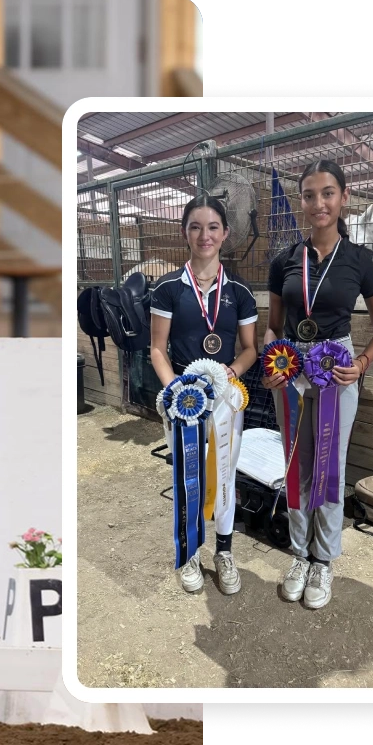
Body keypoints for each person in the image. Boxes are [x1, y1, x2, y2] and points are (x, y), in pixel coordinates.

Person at [261, 160, 373, 610]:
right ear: (301, 200)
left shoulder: (363, 261)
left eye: (328, 193)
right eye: (310, 194)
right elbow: (273, 326)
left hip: (337, 371)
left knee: (330, 467)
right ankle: (299, 553)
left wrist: (359, 364)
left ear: (344, 197)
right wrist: (272, 360)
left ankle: (325, 559)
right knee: (297, 466)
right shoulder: (283, 260)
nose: (319, 203)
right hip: (293, 370)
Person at [148, 195, 258, 595]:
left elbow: (249, 349)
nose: (204, 235)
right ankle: (191, 551)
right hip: (185, 403)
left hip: (227, 401)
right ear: (185, 233)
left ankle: (224, 551)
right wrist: (174, 387)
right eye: (195, 227)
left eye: (213, 227)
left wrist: (234, 372)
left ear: (225, 233)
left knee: (225, 474)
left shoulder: (241, 291)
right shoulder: (167, 289)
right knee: (188, 474)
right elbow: (158, 349)